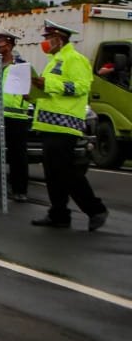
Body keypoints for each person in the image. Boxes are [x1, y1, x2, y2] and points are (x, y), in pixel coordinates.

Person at [29, 19, 109, 231]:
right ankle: (59, 214)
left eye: (48, 38)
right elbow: (52, 94)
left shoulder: (75, 59)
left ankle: (95, 209)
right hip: (48, 125)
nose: (45, 42)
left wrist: (48, 84)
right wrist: (34, 95)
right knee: (52, 174)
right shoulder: (54, 60)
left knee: (66, 172)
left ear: (59, 39)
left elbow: (81, 87)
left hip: (65, 125)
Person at [0, 29, 33, 203]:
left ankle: (19, 191)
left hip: (16, 117)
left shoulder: (20, 65)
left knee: (18, 156)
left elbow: (29, 92)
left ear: (9, 46)